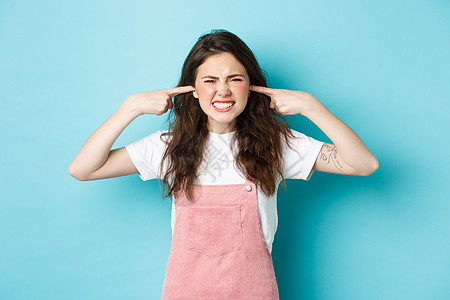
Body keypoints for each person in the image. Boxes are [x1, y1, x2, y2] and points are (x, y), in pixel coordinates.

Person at [69, 29, 378, 299]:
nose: (223, 90)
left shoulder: (277, 143)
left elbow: (363, 164)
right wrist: (130, 108)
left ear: (251, 85)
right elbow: (83, 169)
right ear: (193, 89)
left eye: (235, 78)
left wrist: (312, 107)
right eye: (210, 80)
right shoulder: (168, 146)